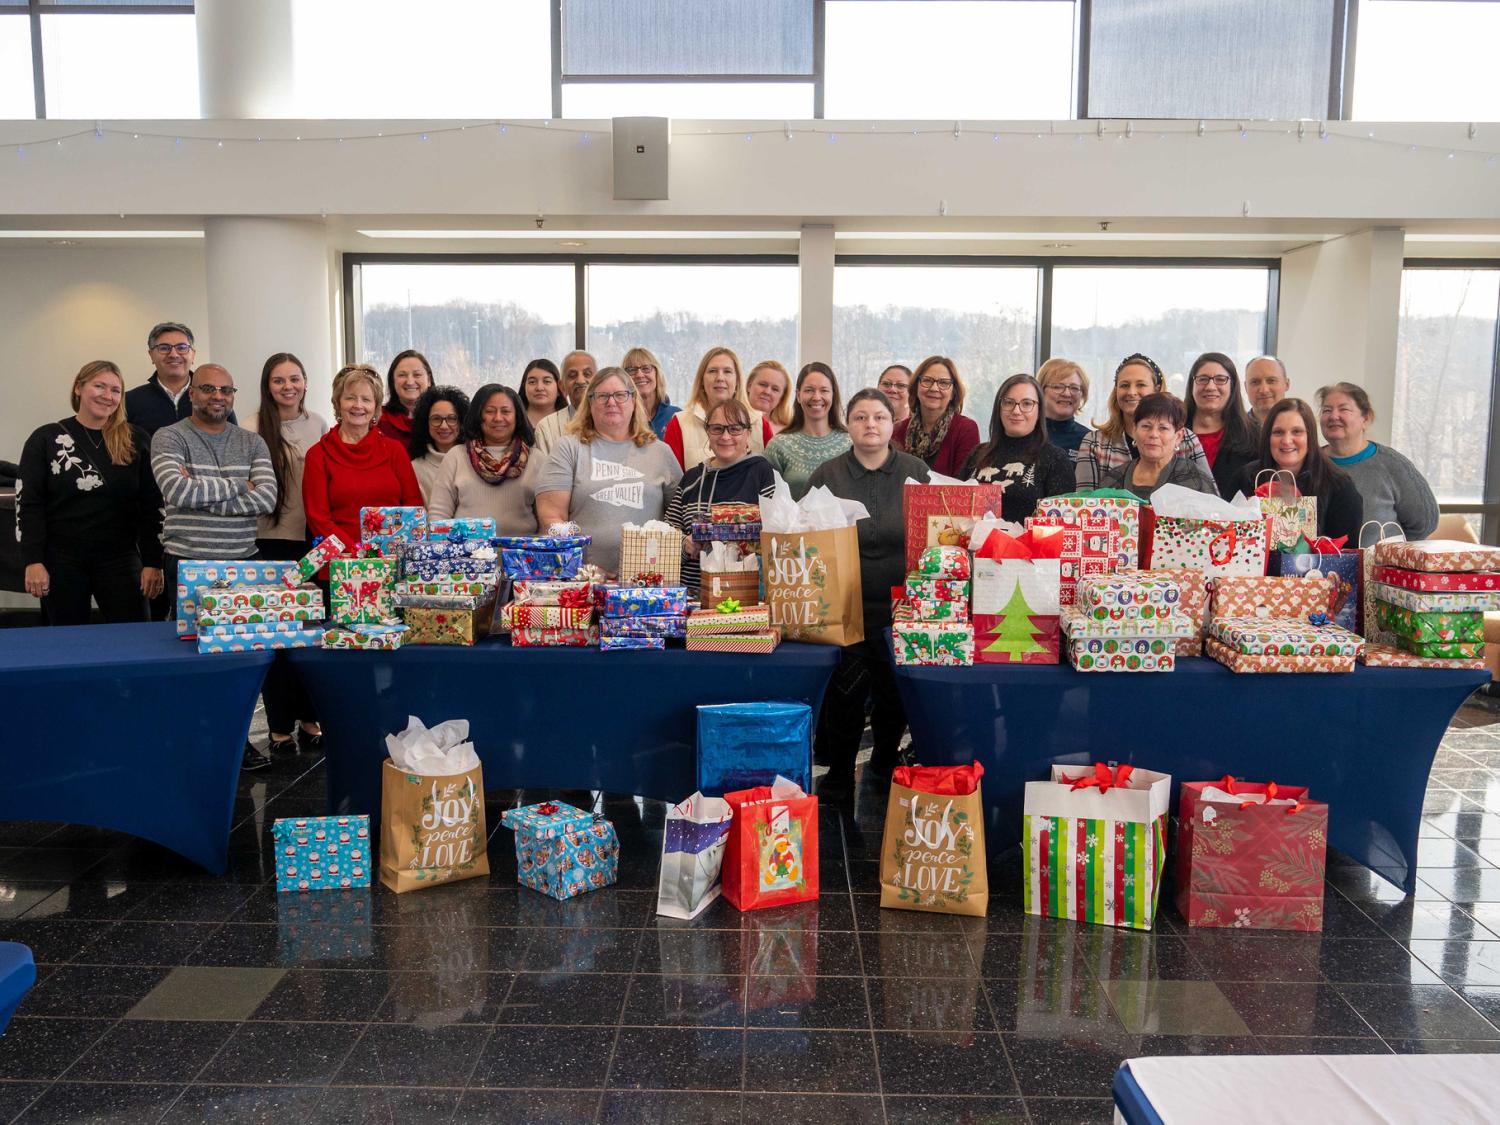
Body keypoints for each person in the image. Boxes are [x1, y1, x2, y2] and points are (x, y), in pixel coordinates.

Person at [807, 389, 930, 794]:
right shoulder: (828, 474)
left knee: (894, 694)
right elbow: (808, 535)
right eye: (861, 417)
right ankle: (840, 772)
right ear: (848, 423)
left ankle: (882, 764)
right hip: (845, 605)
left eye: (879, 416)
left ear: (893, 423)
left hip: (903, 606)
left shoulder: (916, 472)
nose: (870, 425)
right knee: (845, 696)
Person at [17, 360, 162, 626]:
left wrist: (154, 562)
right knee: (66, 641)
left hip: (121, 557)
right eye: (99, 386)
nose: (108, 396)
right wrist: (33, 560)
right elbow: (29, 504)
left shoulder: (135, 440)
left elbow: (152, 506)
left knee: (134, 636)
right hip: (61, 559)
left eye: (115, 390)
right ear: (78, 388)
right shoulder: (46, 439)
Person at [246, 352, 327, 759]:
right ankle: (278, 726)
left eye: (294, 378)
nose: (287, 386)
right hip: (269, 542)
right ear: (268, 385)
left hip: (310, 542)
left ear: (306, 382)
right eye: (279, 380)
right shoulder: (251, 427)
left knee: (311, 633)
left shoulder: (319, 424)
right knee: (277, 636)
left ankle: (311, 718)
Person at [127, 321, 234, 620]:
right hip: (148, 513)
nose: (173, 354)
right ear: (151, 354)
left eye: (181, 347)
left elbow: (231, 457)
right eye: (164, 348)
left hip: (201, 521)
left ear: (193, 353)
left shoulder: (214, 398)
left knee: (200, 608)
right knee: (155, 604)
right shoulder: (132, 402)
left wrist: (197, 483)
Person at [535, 367, 683, 578]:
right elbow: (551, 519)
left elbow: (677, 520)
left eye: (620, 395)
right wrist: (586, 569)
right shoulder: (569, 448)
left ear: (633, 401)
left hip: (649, 582)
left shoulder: (660, 452)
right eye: (602, 396)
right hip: (583, 579)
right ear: (590, 403)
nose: (611, 402)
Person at [151, 363, 276, 592]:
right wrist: (242, 485)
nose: (218, 396)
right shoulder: (169, 437)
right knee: (189, 629)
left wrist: (198, 498)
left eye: (226, 390)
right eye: (208, 388)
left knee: (244, 628)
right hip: (187, 562)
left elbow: (267, 499)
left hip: (244, 562)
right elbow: (177, 491)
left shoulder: (253, 442)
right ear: (191, 393)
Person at [304, 364, 424, 551]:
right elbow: (318, 519)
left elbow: (413, 509)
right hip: (340, 563)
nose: (358, 405)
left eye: (366, 399)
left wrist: (391, 552)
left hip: (393, 560)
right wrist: (357, 553)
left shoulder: (395, 451)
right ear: (338, 403)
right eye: (350, 398)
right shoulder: (318, 455)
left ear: (375, 407)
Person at [665, 399, 776, 596]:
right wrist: (685, 545)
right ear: (707, 432)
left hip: (746, 597)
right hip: (693, 598)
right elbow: (666, 538)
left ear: (748, 433)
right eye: (717, 428)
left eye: (735, 429)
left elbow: (776, 536)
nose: (726, 436)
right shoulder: (691, 479)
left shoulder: (763, 473)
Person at [1318, 382, 1438, 540]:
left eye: (1344, 409)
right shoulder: (1311, 463)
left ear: (1366, 418)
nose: (1333, 416)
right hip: (1317, 564)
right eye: (1327, 410)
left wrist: (1390, 551)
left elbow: (1425, 522)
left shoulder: (1392, 464)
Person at [1234, 398, 1364, 542]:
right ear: (1267, 437)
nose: (1287, 440)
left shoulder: (1339, 485)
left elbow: (1347, 554)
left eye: (1297, 432)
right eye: (1278, 432)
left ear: (1310, 437)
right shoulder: (1246, 478)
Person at [1076, 353, 1209, 489]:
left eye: (1141, 384)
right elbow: (1085, 503)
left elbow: (1213, 502)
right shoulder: (1094, 443)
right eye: (1124, 385)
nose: (1132, 392)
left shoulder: (1186, 439)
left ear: (1157, 389)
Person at [960, 374, 1076, 522]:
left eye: (1027, 404)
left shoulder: (1055, 459)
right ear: (999, 407)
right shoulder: (978, 453)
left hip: (1028, 544)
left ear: (1039, 410)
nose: (1016, 411)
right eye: (1009, 402)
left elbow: (1061, 524)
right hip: (972, 544)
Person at [427, 384, 537, 536]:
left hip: (522, 555)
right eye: (490, 411)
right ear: (478, 415)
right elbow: (438, 515)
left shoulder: (538, 460)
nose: (498, 418)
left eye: (506, 411)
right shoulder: (456, 456)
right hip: (465, 555)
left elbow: (547, 518)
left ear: (517, 417)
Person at [663, 347, 774, 471]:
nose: (720, 378)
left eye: (727, 371)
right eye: (712, 371)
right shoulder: (679, 424)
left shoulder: (760, 424)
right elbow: (673, 483)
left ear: (737, 381)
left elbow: (771, 477)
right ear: (702, 381)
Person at [1101, 393, 1218, 501]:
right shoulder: (1113, 480)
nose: (1153, 434)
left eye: (1163, 428)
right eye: (1146, 426)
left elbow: (1216, 521)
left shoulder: (1195, 480)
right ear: (1134, 430)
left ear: (1178, 436)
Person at [764, 362, 853, 500]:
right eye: (809, 390)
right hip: (790, 522)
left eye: (824, 390)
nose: (816, 397)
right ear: (798, 395)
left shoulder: (851, 443)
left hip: (845, 522)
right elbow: (766, 500)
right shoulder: (779, 445)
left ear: (833, 395)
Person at [1183, 352, 1259, 500]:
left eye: (1220, 379)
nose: (1211, 386)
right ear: (1192, 385)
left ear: (1233, 386)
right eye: (1203, 379)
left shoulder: (1255, 436)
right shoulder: (1172, 432)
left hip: (1237, 521)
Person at [893, 355, 980, 478]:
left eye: (943, 383)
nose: (934, 388)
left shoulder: (966, 429)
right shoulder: (897, 431)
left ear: (953, 393)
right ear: (916, 387)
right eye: (927, 381)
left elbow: (963, 485)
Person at [408, 386, 471, 501]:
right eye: (436, 419)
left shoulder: (474, 461)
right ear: (425, 423)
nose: (443, 426)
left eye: (452, 418)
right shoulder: (415, 468)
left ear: (462, 422)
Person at [533, 350, 596, 458]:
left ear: (599, 381)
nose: (580, 381)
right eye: (572, 375)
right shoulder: (546, 428)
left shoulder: (614, 420)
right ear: (562, 386)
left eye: (587, 374)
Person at [377, 350, 433, 444]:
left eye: (417, 375)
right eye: (402, 375)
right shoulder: (378, 418)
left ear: (429, 380)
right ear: (392, 381)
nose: (410, 382)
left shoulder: (442, 420)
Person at [1037, 357, 1090, 455]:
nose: (1066, 394)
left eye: (1074, 388)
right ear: (1040, 390)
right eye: (1057, 387)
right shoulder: (1026, 433)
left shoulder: (1089, 441)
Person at [624, 347, 681, 439]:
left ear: (657, 373)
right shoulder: (621, 418)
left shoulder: (676, 416)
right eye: (632, 370)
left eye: (646, 368)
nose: (639, 375)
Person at [747, 360, 794, 435]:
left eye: (775, 389)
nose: (767, 392)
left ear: (782, 397)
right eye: (763, 384)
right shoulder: (730, 421)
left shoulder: (789, 432)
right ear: (749, 385)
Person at [521, 358, 567, 433]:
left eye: (547, 381)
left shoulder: (572, 422)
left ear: (559, 388)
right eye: (532, 382)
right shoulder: (513, 420)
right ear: (524, 387)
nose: (539, 388)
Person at [1246, 355, 1291, 425]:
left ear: (1287, 384)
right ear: (1246, 387)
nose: (1264, 390)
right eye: (1255, 382)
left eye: (1271, 381)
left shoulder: (1302, 428)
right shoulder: (1230, 430)